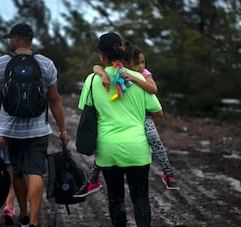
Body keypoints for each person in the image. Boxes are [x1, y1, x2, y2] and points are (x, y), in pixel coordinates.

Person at [78, 32, 160, 227]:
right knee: (140, 196)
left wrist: (101, 73)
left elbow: (86, 109)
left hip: (108, 148)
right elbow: (156, 110)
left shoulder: (93, 80)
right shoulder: (137, 78)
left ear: (101, 54)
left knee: (116, 198)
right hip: (137, 146)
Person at [0, 23, 70, 227]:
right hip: (38, 129)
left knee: (18, 172)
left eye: (11, 38)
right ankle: (34, 224)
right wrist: (63, 129)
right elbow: (54, 99)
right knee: (36, 173)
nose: (10, 42)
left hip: (10, 130)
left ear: (18, 38)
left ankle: (23, 215)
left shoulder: (1, 64)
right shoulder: (46, 64)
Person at [74, 42, 179, 198]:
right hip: (135, 131)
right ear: (126, 62)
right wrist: (104, 74)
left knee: (154, 140)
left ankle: (168, 172)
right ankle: (92, 180)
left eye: (143, 62)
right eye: (137, 63)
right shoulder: (120, 72)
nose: (141, 66)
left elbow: (153, 89)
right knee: (104, 154)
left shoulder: (142, 74)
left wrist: (135, 79)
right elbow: (96, 68)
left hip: (140, 119)